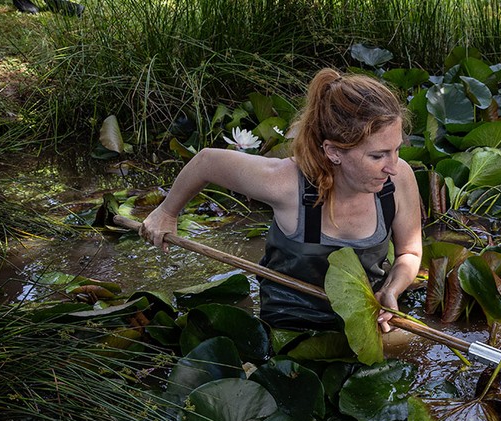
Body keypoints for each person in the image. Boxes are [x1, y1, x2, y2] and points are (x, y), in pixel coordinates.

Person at [139, 68, 423, 333]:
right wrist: (167, 212)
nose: (394, 166)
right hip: (287, 325)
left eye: (396, 149)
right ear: (334, 151)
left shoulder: (398, 182)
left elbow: (409, 253)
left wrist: (393, 289)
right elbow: (206, 162)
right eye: (378, 155)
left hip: (365, 321)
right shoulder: (285, 183)